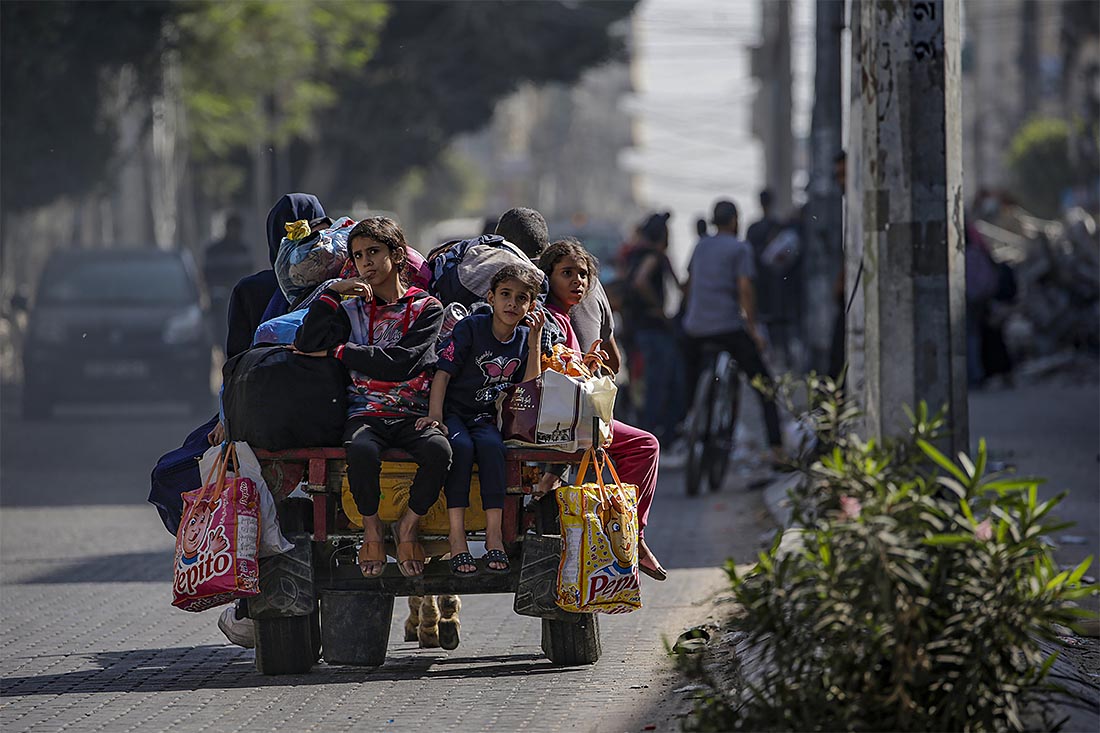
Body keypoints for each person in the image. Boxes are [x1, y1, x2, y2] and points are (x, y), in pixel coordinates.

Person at [293, 216, 451, 578]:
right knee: (361, 451)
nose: (366, 262)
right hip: (366, 413)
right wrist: (333, 291)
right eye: (358, 255)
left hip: (414, 414)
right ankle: (372, 528)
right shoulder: (350, 309)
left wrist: (338, 352)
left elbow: (403, 363)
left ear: (396, 255)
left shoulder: (427, 308)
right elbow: (305, 343)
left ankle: (408, 525)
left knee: (439, 451)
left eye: (374, 252)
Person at [538, 236, 667, 582]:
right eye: (567, 273)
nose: (577, 282)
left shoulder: (567, 316)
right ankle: (631, 536)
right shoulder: (547, 318)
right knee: (644, 445)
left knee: (642, 444)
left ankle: (630, 535)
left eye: (582, 275)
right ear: (547, 276)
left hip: (575, 418)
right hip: (561, 422)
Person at [420, 265, 545, 575]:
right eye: (505, 295)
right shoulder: (471, 329)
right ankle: (457, 536)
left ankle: (493, 536)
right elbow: (442, 374)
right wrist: (435, 416)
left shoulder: (524, 339)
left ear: (531, 306)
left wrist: (534, 343)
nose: (512, 304)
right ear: (491, 297)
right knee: (459, 449)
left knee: (492, 449)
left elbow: (529, 387)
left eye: (521, 298)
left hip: (486, 417)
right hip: (454, 412)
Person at [681, 199, 784, 462]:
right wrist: (753, 330)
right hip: (728, 328)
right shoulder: (740, 248)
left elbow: (689, 284)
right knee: (765, 387)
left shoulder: (701, 245)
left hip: (694, 329)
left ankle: (689, 422)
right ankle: (777, 448)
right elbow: (745, 290)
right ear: (735, 220)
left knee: (688, 379)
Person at [622, 212, 684, 443]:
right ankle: (652, 436)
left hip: (636, 329)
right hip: (653, 329)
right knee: (660, 384)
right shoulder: (653, 256)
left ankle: (644, 432)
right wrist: (658, 307)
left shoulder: (633, 254)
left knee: (646, 384)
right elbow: (640, 281)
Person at [202, 212, 252, 353]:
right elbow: (207, 274)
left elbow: (248, 273)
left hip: (237, 296)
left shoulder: (243, 250)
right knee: (219, 330)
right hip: (219, 297)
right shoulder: (215, 250)